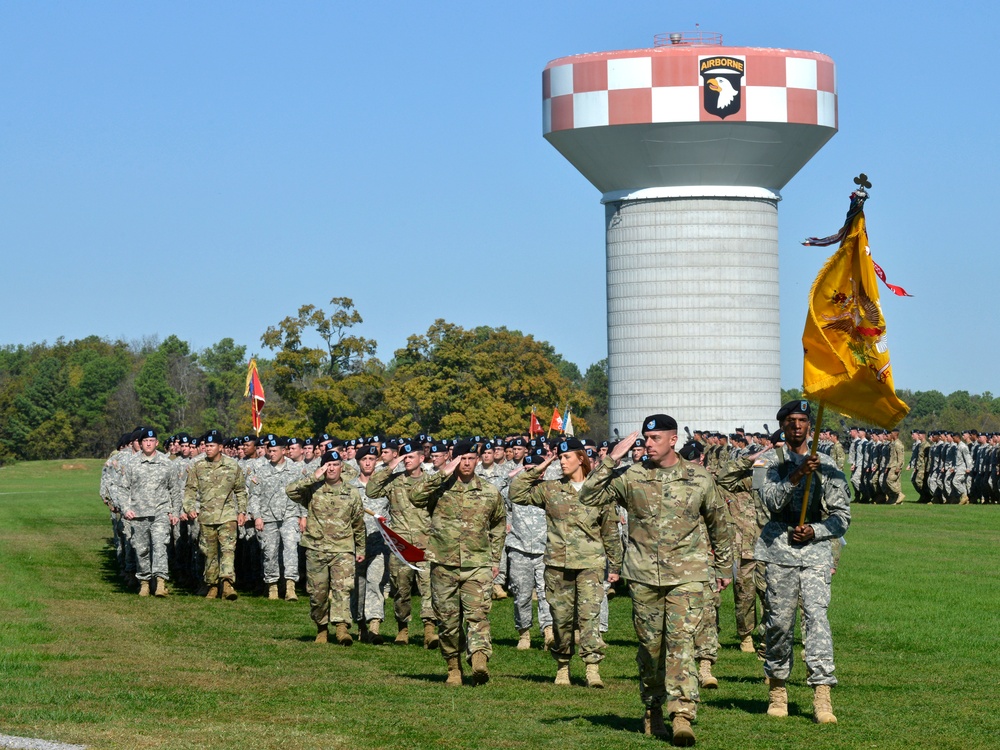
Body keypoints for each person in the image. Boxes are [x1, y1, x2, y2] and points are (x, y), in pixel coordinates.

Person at [578, 415, 732, 746]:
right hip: (644, 575)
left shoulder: (698, 478)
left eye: (655, 438)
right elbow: (588, 496)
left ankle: (682, 715)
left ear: (673, 440)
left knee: (680, 643)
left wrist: (723, 567)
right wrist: (611, 459)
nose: (648, 443)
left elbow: (720, 522)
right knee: (651, 647)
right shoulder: (632, 476)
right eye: (646, 438)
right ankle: (653, 709)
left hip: (687, 575)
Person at [755, 401, 851, 725]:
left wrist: (816, 530)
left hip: (814, 553)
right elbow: (769, 500)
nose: (798, 426)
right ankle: (778, 689)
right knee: (779, 623)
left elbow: (842, 517)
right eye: (791, 420)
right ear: (782, 425)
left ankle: (822, 695)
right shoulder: (767, 463)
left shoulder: (827, 464)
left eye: (803, 420)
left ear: (811, 426)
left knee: (817, 619)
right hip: (779, 550)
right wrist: (797, 475)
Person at [509, 437, 622, 688]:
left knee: (589, 617)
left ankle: (592, 668)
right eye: (559, 458)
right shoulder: (550, 489)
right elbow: (516, 493)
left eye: (566, 457)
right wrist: (541, 466)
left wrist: (614, 567)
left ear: (581, 458)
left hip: (590, 564)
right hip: (558, 565)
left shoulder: (599, 491)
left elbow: (610, 531)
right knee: (560, 619)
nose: (561, 462)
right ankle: (562, 666)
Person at [409, 441, 506, 687]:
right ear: (454, 458)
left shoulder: (488, 491)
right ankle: (453, 667)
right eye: (462, 458)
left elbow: (498, 525)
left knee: (478, 616)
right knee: (449, 622)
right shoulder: (439, 487)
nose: (466, 463)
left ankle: (479, 659)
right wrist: (442, 472)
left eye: (471, 458)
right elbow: (415, 496)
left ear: (477, 460)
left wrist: (494, 558)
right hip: (444, 564)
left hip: (477, 564)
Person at [285, 449, 366, 645]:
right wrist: (314, 477)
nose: (331, 468)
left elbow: (358, 523)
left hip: (342, 549)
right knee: (317, 594)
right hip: (316, 548)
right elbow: (291, 491)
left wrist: (360, 548)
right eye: (328, 465)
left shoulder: (352, 492)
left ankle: (341, 628)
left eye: (335, 465)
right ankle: (321, 627)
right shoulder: (313, 489)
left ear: (341, 468)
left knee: (342, 590)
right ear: (323, 467)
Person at [367, 442, 439, 648]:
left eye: (410, 457)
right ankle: (403, 628)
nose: (407, 460)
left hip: (425, 546)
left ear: (421, 459)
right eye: (404, 457)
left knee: (429, 590)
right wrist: (390, 466)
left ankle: (429, 630)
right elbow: (372, 490)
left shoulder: (430, 481)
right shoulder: (394, 481)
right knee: (401, 591)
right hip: (400, 547)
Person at [183, 430, 247, 600]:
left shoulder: (232, 466)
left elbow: (240, 490)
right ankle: (211, 585)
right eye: (206, 446)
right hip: (206, 516)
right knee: (209, 553)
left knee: (228, 550)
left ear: (220, 447)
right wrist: (189, 507)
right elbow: (190, 489)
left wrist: (242, 511)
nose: (208, 449)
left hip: (227, 516)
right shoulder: (198, 466)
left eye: (212, 446)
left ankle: (227, 584)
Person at [120, 428, 180, 597]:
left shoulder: (167, 463)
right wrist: (126, 508)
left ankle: (160, 582)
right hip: (138, 514)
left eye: (151, 441)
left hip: (160, 512)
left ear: (157, 443)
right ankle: (145, 582)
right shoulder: (132, 463)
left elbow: (174, 490)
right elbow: (123, 489)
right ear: (140, 443)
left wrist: (174, 511)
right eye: (144, 440)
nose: (148, 443)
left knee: (160, 546)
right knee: (142, 549)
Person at [248, 437, 307, 600]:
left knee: (291, 550)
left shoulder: (295, 470)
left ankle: (290, 587)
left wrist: (303, 516)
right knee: (270, 552)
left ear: (284, 451)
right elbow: (254, 496)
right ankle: (272, 586)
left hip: (290, 515)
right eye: (270, 451)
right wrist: (257, 517)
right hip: (268, 517)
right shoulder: (261, 471)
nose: (271, 454)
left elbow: (302, 495)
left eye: (275, 451)